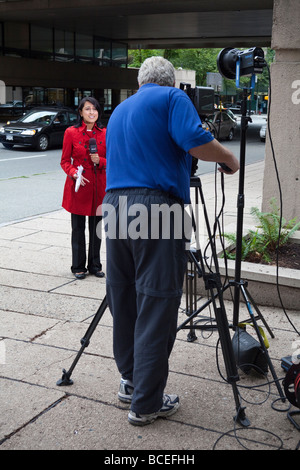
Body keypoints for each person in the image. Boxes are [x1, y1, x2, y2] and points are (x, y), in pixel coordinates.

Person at [103, 56, 239, 426]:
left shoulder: (118, 110)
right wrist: (229, 158)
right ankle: (146, 403)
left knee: (124, 297)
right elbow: (196, 141)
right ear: (169, 81)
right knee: (157, 301)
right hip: (157, 207)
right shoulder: (172, 99)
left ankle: (131, 383)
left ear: (140, 81)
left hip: (114, 208)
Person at [61, 97, 106, 280]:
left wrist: (100, 161)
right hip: (79, 186)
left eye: (94, 109)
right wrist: (73, 172)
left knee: (96, 228)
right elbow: (64, 161)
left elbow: (114, 159)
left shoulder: (104, 133)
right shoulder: (71, 132)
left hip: (98, 187)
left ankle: (95, 265)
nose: (91, 112)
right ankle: (78, 266)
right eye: (87, 109)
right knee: (78, 229)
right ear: (80, 112)